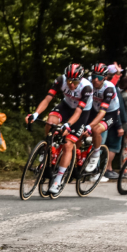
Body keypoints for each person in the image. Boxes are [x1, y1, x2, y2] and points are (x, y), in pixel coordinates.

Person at [25, 64, 94, 195]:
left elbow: (78, 112)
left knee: (68, 144)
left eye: (75, 82)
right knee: (50, 121)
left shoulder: (86, 88)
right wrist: (35, 114)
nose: (71, 85)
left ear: (80, 79)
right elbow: (47, 99)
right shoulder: (60, 80)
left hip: (81, 113)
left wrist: (67, 124)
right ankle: (48, 148)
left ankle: (58, 179)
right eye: (69, 81)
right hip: (66, 106)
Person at [86, 63, 122, 179]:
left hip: (109, 113)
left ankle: (96, 162)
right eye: (94, 76)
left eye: (100, 77)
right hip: (94, 110)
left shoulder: (109, 88)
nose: (95, 80)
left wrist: (90, 126)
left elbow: (103, 112)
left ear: (105, 78)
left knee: (97, 130)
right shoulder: (88, 83)